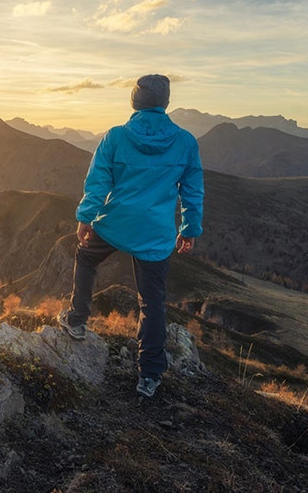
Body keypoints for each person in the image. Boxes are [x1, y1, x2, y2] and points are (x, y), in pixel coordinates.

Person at [57, 74, 204, 398]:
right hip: (155, 234)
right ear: (165, 103)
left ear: (134, 102)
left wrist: (86, 217)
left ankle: (77, 320)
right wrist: (189, 230)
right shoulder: (185, 142)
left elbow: (98, 183)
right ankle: (149, 376)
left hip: (115, 223)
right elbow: (192, 192)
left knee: (85, 257)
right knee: (152, 302)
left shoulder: (115, 137)